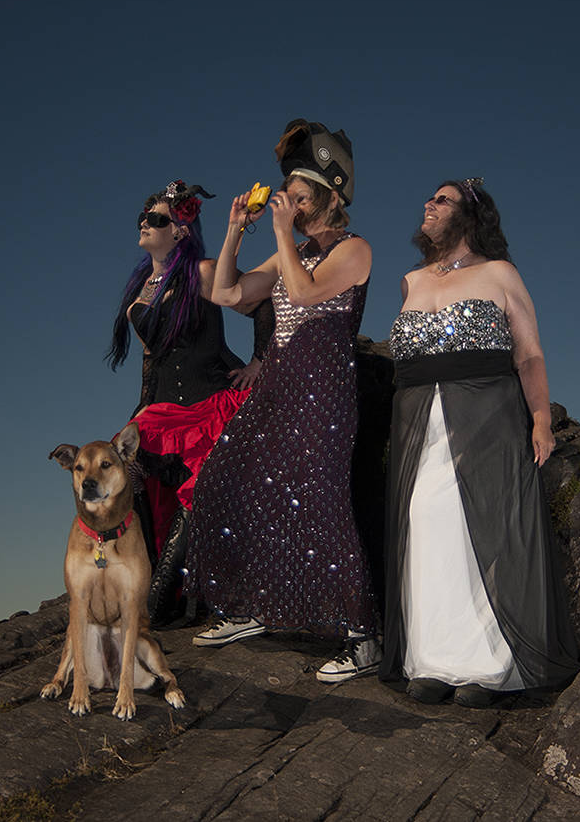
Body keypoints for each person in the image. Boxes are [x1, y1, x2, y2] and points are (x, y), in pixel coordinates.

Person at [183, 119, 381, 683]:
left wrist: (279, 235)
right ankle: (249, 606)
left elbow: (302, 292)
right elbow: (225, 293)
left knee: (319, 504)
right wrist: (233, 232)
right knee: (228, 477)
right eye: (286, 194)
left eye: (298, 194)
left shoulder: (355, 249)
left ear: (328, 196)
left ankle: (361, 635)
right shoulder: (288, 250)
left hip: (324, 390)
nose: (288, 202)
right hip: (279, 387)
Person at [378, 178, 580, 707]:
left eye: (442, 199)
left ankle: (487, 668)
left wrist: (540, 419)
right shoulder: (410, 281)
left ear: (469, 216)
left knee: (482, 527)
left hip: (488, 417)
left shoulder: (500, 274)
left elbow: (530, 354)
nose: (428, 203)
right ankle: (430, 661)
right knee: (425, 522)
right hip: (418, 423)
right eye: (428, 197)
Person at [105, 179, 272, 624]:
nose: (145, 223)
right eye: (143, 217)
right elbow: (151, 361)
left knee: (194, 490)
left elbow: (261, 305)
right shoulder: (141, 287)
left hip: (212, 401)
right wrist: (138, 416)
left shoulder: (200, 272)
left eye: (156, 219)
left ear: (179, 230)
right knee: (123, 473)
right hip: (165, 409)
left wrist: (258, 361)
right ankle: (152, 581)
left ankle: (161, 598)